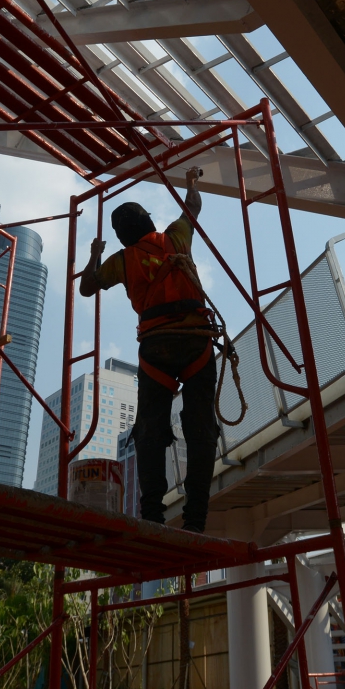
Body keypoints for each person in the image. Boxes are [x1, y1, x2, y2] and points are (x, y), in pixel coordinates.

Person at [80, 167, 219, 533]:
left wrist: (94, 254)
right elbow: (192, 207)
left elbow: (87, 287)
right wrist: (191, 183)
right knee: (201, 426)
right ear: (147, 221)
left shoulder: (123, 260)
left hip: (156, 349)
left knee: (150, 431)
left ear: (123, 236)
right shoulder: (176, 236)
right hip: (196, 340)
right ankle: (196, 518)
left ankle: (153, 515)